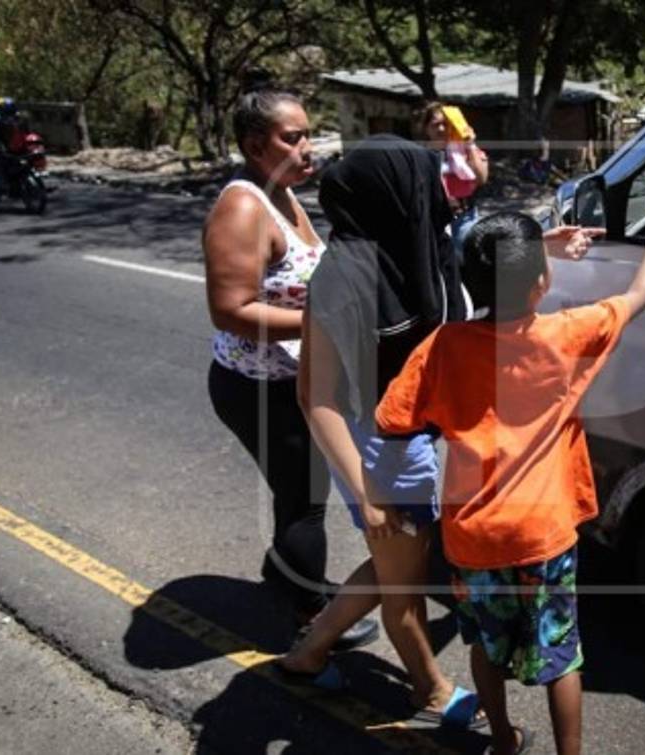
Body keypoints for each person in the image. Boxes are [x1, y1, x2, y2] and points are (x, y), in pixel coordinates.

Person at [370, 201, 645, 755]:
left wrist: (379, 498)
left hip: (473, 537)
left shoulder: (443, 346)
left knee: (486, 645)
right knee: (561, 655)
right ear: (543, 279)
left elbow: (393, 422)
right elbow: (638, 295)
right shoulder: (568, 333)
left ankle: (504, 740)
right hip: (543, 535)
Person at [277, 134, 487, 727]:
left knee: (399, 560)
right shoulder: (342, 279)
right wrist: (366, 494)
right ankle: (430, 690)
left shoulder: (416, 246)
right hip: (378, 446)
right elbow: (314, 397)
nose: (433, 191)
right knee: (405, 580)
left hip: (412, 435)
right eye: (422, 180)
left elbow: (461, 284)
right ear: (393, 195)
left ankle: (310, 650)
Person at [202, 89, 377, 652]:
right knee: (305, 497)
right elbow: (230, 310)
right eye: (293, 137)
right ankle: (308, 612)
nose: (309, 148)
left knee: (297, 491)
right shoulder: (245, 207)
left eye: (308, 134)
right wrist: (319, 324)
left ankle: (284, 572)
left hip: (294, 379)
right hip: (257, 386)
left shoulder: (287, 196)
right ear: (256, 145)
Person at [419, 101, 489, 254]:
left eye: (445, 124)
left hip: (464, 217)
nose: (441, 129)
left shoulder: (467, 151)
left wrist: (469, 144)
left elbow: (481, 178)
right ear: (426, 129)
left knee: (467, 263)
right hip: (432, 220)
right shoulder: (419, 156)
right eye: (435, 124)